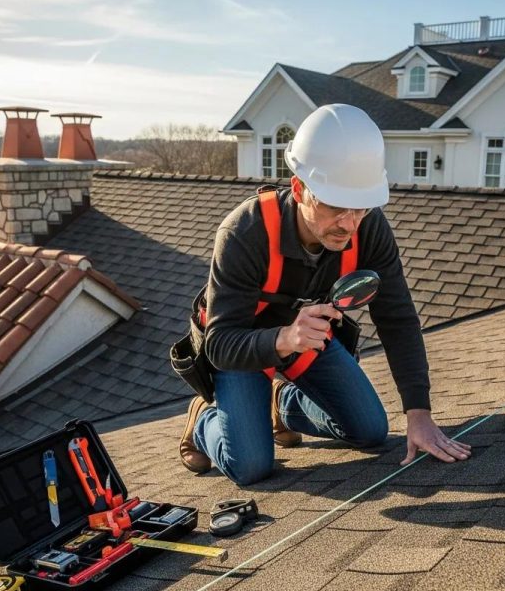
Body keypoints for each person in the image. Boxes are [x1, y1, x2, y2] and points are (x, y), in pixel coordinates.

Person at [180, 103, 471, 485]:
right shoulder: (244, 233)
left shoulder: (367, 228)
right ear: (300, 188)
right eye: (336, 207)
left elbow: (397, 318)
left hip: (306, 339)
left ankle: (281, 406)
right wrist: (284, 338)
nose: (349, 225)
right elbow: (219, 343)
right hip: (244, 343)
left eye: (361, 209)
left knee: (369, 432)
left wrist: (419, 412)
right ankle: (204, 419)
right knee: (250, 466)